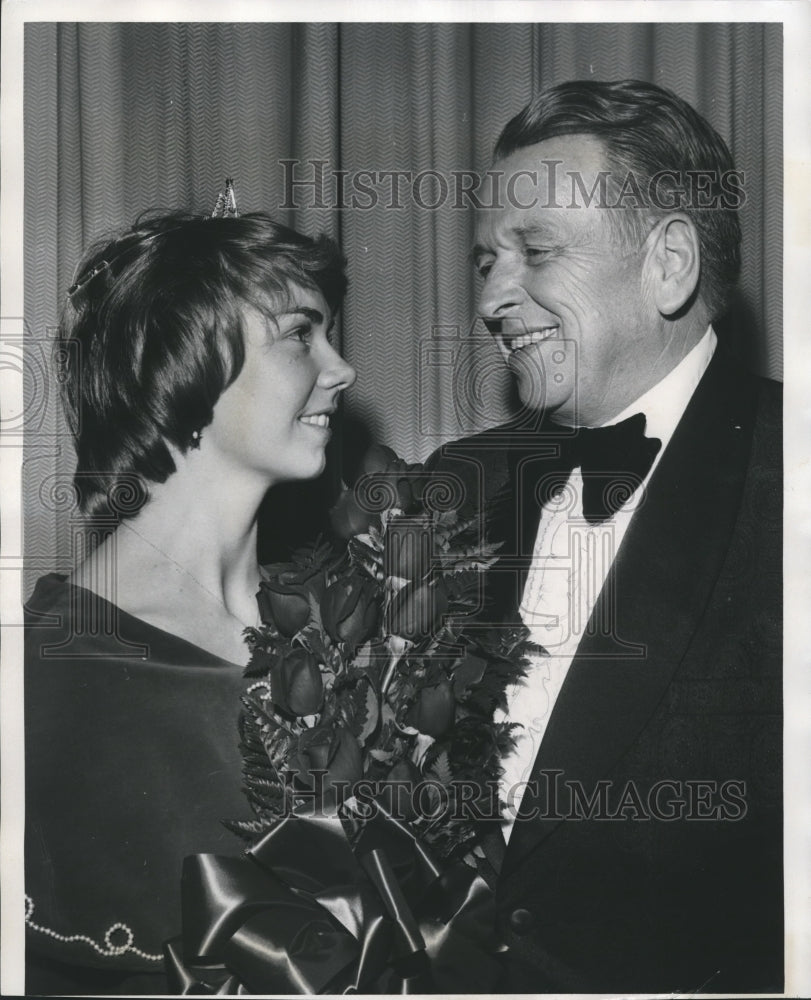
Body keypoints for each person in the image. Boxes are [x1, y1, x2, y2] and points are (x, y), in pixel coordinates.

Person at [426, 80, 782, 993]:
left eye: (534, 251)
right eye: (484, 263)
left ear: (667, 263)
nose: (495, 299)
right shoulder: (448, 489)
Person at [24, 204, 356, 994]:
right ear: (180, 356)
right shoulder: (50, 683)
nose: (341, 369)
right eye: (299, 334)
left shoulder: (339, 621)